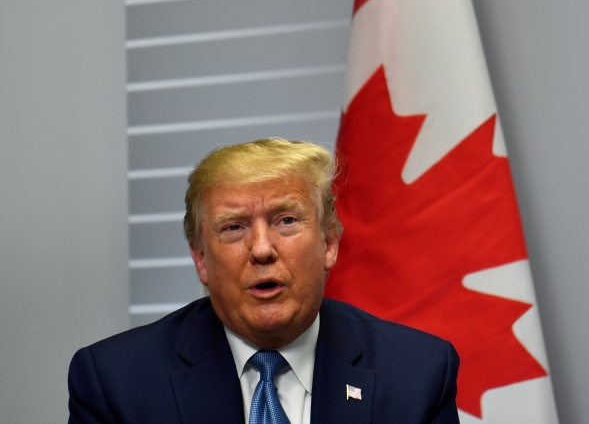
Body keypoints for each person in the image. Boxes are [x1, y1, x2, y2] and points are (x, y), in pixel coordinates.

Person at [68, 138, 460, 424]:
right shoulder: (117, 383)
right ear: (201, 259)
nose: (261, 249)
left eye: (286, 220)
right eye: (234, 227)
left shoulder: (417, 373)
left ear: (328, 243)